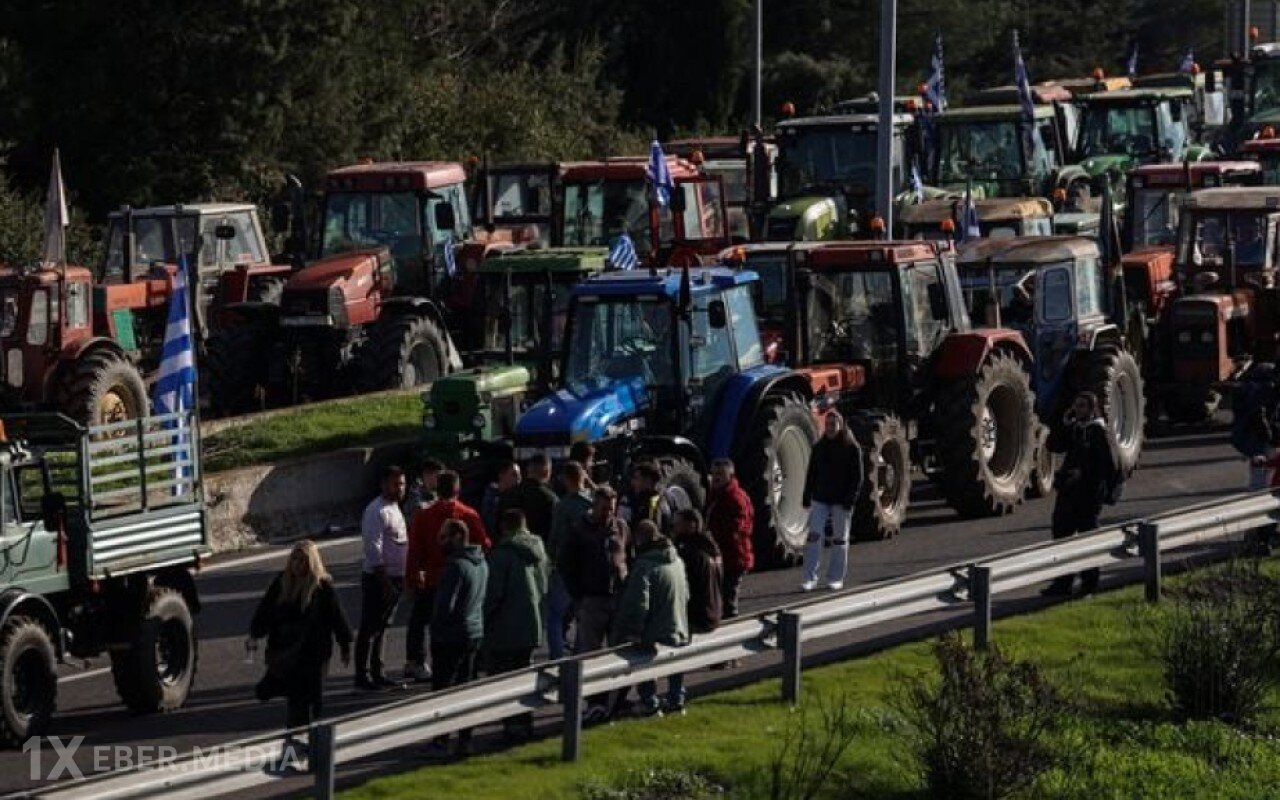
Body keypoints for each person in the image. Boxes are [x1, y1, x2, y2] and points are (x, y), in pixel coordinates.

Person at [250, 540, 352, 754]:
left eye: (302, 560)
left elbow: (337, 617)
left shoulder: (322, 587)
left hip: (313, 654)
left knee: (310, 699)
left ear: (311, 562)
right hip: (286, 651)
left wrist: (345, 644)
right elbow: (265, 611)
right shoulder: (281, 582)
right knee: (290, 695)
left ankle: (308, 743)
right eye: (294, 559)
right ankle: (295, 739)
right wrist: (255, 634)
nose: (297, 564)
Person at [404, 470, 490, 683]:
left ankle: (420, 661)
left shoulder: (424, 516)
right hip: (464, 581)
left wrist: (413, 579)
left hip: (433, 579)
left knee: (425, 622)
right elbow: (485, 544)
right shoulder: (468, 514)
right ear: (458, 489)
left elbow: (414, 551)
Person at [559, 485, 631, 722]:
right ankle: (595, 702)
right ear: (593, 505)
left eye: (611, 509)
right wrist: (578, 597)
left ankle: (618, 700)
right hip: (592, 600)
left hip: (617, 599)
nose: (607, 514)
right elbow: (566, 566)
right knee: (591, 655)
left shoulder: (620, 527)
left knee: (620, 650)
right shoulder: (579, 531)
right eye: (603, 509)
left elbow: (626, 554)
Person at [612, 520, 691, 717]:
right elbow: (687, 593)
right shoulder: (677, 560)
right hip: (678, 622)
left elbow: (639, 602)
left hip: (655, 628)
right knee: (676, 658)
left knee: (642, 655)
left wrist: (633, 630)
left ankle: (649, 701)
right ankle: (676, 698)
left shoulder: (644, 566)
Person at [484, 509, 551, 739]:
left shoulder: (502, 554)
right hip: (532, 623)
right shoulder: (539, 550)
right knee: (525, 675)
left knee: (505, 677)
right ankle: (525, 721)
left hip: (506, 627)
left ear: (504, 527)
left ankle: (513, 725)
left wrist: (484, 617)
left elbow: (493, 593)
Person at [1042, 392, 1116, 596]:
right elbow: (1054, 446)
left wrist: (1090, 481)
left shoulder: (1098, 432)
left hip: (1088, 495)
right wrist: (1064, 423)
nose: (1079, 410)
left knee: (1087, 539)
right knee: (1061, 537)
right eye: (1076, 406)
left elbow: (1107, 467)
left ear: (1092, 409)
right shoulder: (1075, 428)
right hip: (1068, 494)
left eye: (1083, 406)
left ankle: (1089, 584)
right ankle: (1062, 583)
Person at [428, 518, 488, 756]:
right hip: (474, 632)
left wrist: (436, 629)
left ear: (456, 537)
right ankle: (465, 738)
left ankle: (441, 739)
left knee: (443, 688)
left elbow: (445, 606)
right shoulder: (481, 562)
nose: (439, 542)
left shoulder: (456, 566)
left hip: (451, 636)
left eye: (443, 537)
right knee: (466, 685)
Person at [355, 465, 408, 690]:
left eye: (403, 484)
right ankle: (362, 676)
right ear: (384, 484)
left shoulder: (395, 508)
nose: (400, 488)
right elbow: (373, 548)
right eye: (396, 484)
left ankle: (378, 671)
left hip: (395, 577)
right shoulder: (376, 511)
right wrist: (384, 580)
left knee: (382, 627)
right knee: (369, 628)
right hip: (379, 578)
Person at [801, 412, 863, 592]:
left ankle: (836, 577)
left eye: (833, 424)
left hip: (842, 501)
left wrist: (850, 499)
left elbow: (857, 477)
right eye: (827, 424)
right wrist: (807, 495)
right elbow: (811, 473)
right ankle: (809, 577)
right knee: (814, 537)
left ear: (840, 425)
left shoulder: (852, 448)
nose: (829, 428)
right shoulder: (819, 447)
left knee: (839, 540)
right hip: (820, 498)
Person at [546, 462, 593, 659]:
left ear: (566, 479)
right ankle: (580, 655)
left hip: (566, 567)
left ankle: (557, 658)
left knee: (555, 615)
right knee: (583, 615)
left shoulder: (563, 506)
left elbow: (555, 538)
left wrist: (552, 561)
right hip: (588, 566)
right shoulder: (591, 504)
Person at [705, 459, 754, 619]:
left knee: (729, 599)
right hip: (722, 555)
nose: (716, 478)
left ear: (730, 475)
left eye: (720, 474)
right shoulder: (715, 495)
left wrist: (714, 537)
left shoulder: (735, 498)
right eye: (714, 474)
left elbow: (738, 528)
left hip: (734, 556)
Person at [1231, 362, 1278, 490]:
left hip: (1246, 432)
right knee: (1270, 463)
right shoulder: (1266, 388)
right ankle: (1264, 491)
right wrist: (1268, 433)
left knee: (1257, 463)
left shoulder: (1244, 389)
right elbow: (1260, 413)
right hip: (1262, 433)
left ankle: (1256, 488)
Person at [500, 453, 559, 544]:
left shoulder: (508, 494)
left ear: (528, 469)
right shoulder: (551, 499)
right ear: (547, 472)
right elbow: (555, 532)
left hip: (511, 549)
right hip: (539, 550)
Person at [625, 461, 674, 532]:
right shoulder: (631, 498)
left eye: (637, 478)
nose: (632, 482)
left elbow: (652, 528)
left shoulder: (655, 502)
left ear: (648, 481)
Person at [482, 461, 521, 535]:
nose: (519, 478)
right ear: (501, 475)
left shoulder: (515, 497)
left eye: (519, 474)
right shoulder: (491, 499)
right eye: (514, 474)